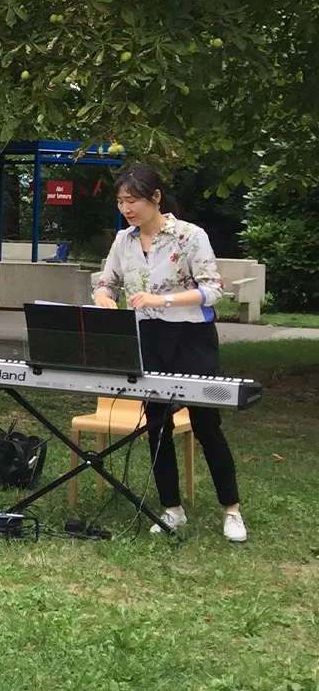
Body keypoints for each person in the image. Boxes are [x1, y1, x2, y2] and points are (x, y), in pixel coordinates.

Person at [91, 163, 245, 542]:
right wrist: (102, 297)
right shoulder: (123, 241)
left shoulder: (189, 236)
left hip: (192, 337)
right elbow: (107, 283)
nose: (127, 208)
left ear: (155, 198)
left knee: (207, 423)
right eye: (121, 201)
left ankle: (232, 509)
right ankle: (171, 508)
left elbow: (213, 290)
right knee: (157, 424)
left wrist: (163, 299)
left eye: (134, 200)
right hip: (149, 337)